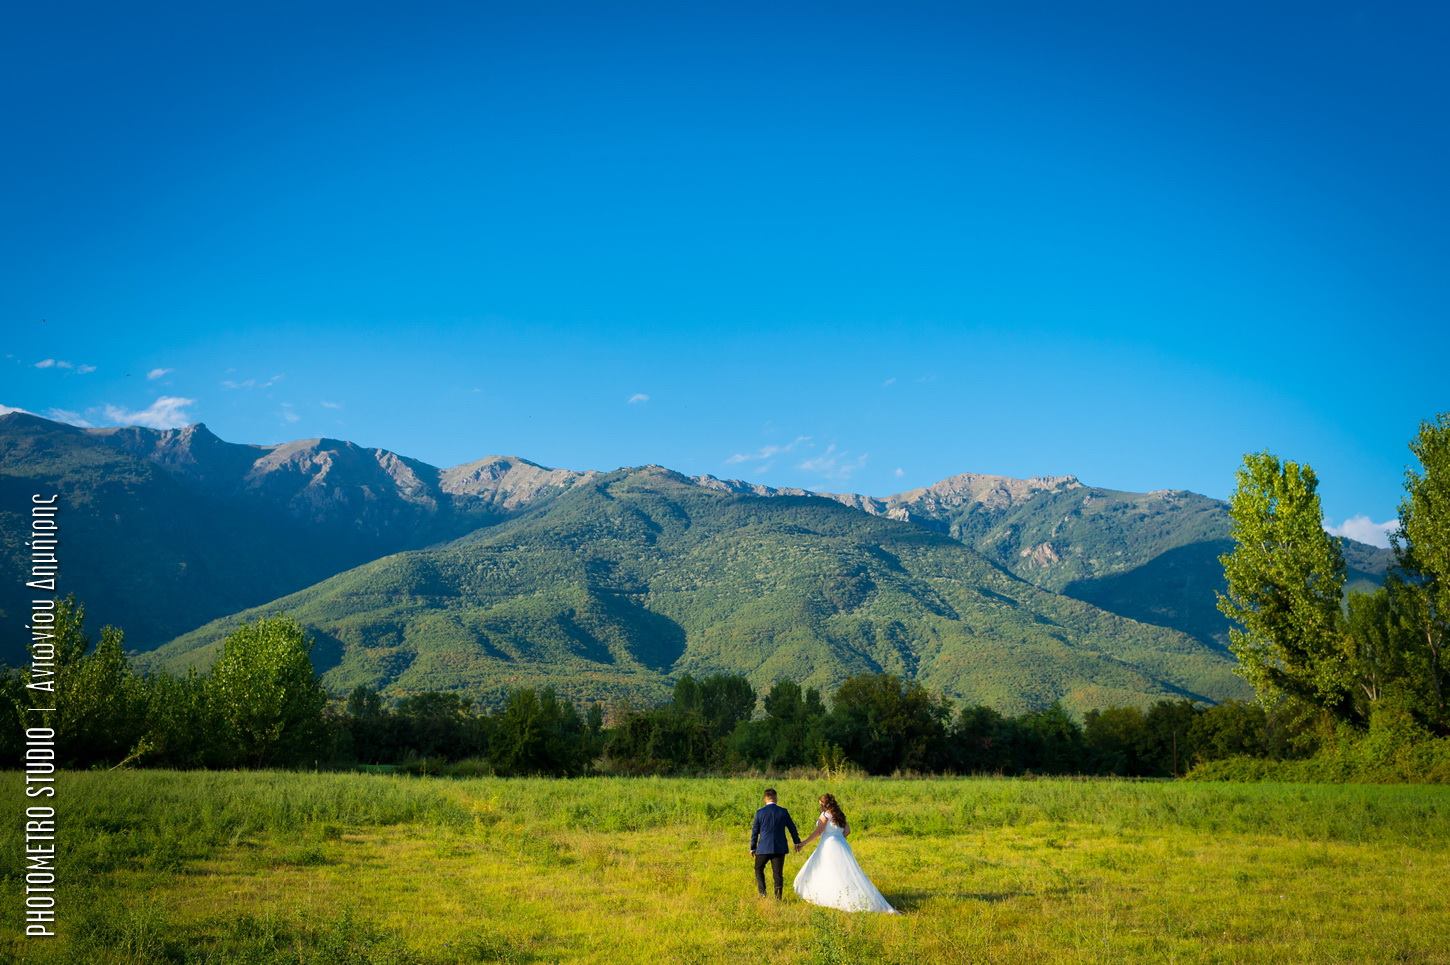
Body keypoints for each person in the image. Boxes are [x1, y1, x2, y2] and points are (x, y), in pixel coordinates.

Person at [792, 793, 896, 912]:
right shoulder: (839, 815)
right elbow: (847, 831)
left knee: (825, 869)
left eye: (820, 804)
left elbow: (818, 832)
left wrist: (803, 843)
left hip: (828, 845)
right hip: (841, 844)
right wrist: (838, 838)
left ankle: (831, 894)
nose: (819, 806)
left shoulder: (825, 815)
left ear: (823, 804)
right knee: (844, 872)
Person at [748, 787, 801, 899]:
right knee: (778, 874)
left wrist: (753, 847)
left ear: (765, 799)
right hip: (779, 847)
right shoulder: (783, 811)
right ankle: (778, 898)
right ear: (776, 798)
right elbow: (792, 828)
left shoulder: (759, 813)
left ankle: (762, 893)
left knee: (758, 869)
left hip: (763, 848)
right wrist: (797, 842)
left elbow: (755, 832)